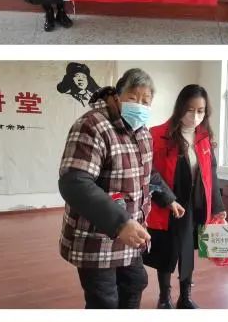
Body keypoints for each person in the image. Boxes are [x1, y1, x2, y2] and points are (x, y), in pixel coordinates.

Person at [58, 68, 155, 309]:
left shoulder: (143, 132)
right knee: (105, 300)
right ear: (117, 95)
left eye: (146, 101)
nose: (139, 105)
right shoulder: (92, 125)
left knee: (135, 283)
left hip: (130, 233)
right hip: (97, 236)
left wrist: (169, 198)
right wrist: (120, 223)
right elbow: (75, 182)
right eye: (133, 98)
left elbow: (147, 173)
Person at [144, 85, 226, 309]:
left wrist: (218, 207)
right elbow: (149, 172)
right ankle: (164, 297)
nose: (195, 115)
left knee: (187, 251)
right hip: (166, 203)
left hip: (194, 204)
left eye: (200, 110)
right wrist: (167, 199)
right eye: (190, 109)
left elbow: (211, 174)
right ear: (180, 108)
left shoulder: (204, 137)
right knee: (166, 251)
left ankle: (185, 296)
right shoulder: (157, 134)